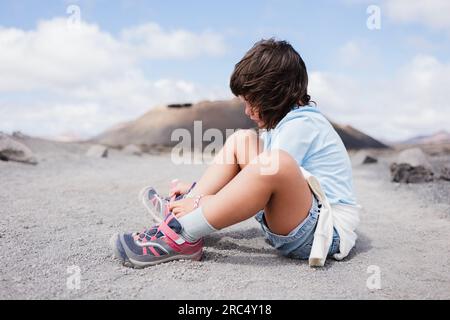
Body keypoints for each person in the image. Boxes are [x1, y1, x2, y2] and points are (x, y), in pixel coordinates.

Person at [110, 38, 360, 268]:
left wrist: (207, 203)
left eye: (253, 102)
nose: (247, 111)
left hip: (323, 232)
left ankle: (182, 234)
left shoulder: (303, 124)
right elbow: (254, 179)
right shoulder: (285, 122)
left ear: (277, 95)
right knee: (243, 139)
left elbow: (265, 184)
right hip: (300, 220)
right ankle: (182, 207)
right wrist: (201, 193)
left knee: (275, 164)